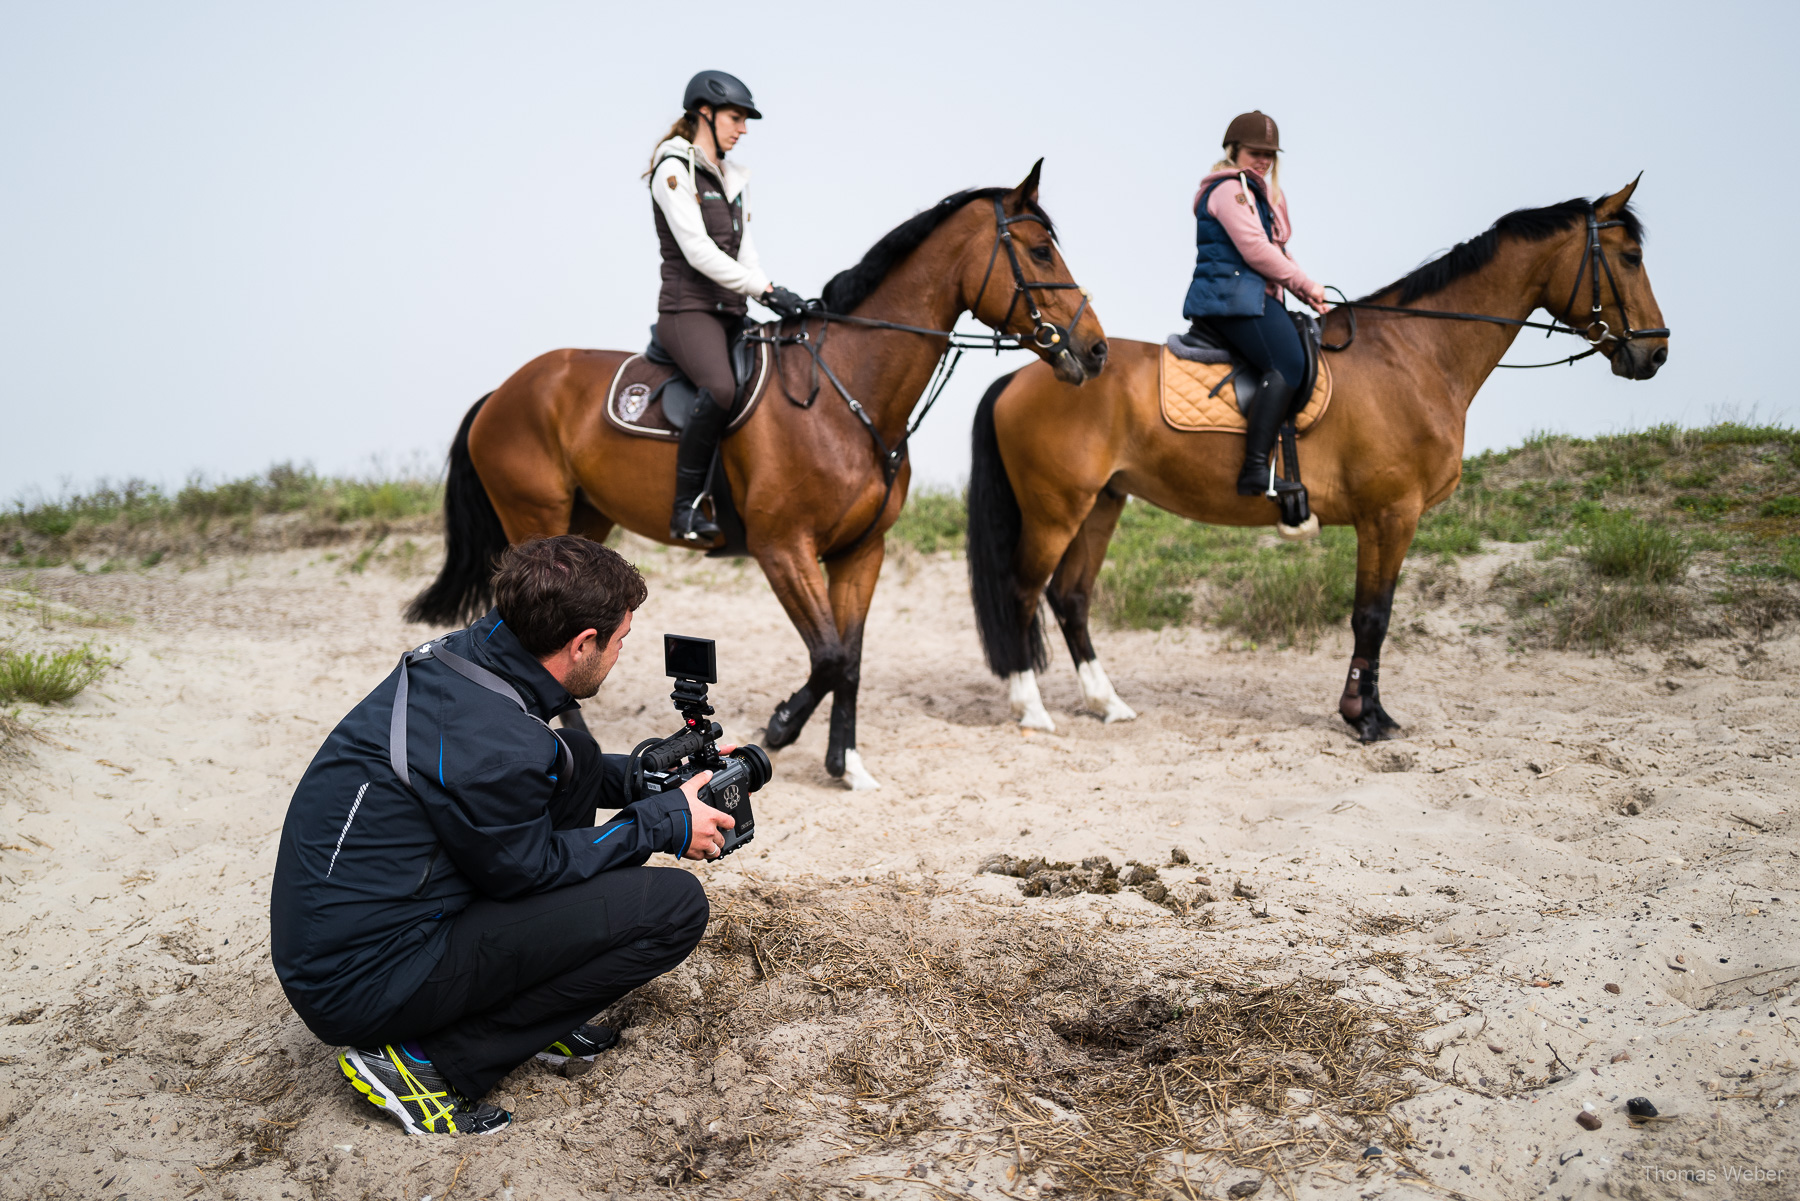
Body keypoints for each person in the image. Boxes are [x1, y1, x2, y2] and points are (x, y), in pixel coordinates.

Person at [270, 536, 738, 1135]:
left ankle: (537, 1013)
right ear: (582, 643)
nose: (623, 652)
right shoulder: (497, 742)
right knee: (674, 908)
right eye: (622, 640)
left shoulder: (469, 659)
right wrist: (665, 821)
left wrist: (650, 778)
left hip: (354, 935)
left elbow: (527, 773)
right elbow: (529, 866)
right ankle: (424, 1064)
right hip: (365, 982)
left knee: (578, 755)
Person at [649, 70, 808, 544]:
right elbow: (698, 251)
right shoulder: (673, 168)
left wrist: (774, 290)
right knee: (719, 388)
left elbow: (745, 251)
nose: (742, 129)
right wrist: (763, 291)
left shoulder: (733, 177)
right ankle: (686, 509)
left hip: (730, 311)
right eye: (736, 118)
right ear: (705, 112)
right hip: (686, 313)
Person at [1181, 110, 1330, 498]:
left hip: (1252, 299)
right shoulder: (1230, 191)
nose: (1263, 159)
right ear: (1234, 150)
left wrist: (1309, 292)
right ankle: (1254, 470)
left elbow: (1279, 250)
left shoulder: (1260, 194)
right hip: (1229, 301)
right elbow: (1256, 251)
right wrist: (1303, 283)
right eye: (1255, 151)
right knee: (1289, 363)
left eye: (1269, 154)